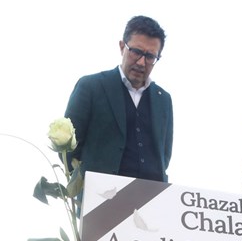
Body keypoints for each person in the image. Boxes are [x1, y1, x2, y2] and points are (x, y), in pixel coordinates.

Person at [64, 15, 173, 183]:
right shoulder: (91, 86)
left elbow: (164, 156)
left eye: (150, 56)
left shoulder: (163, 99)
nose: (141, 62)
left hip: (152, 196)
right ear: (122, 47)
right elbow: (68, 150)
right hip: (101, 194)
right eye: (136, 52)